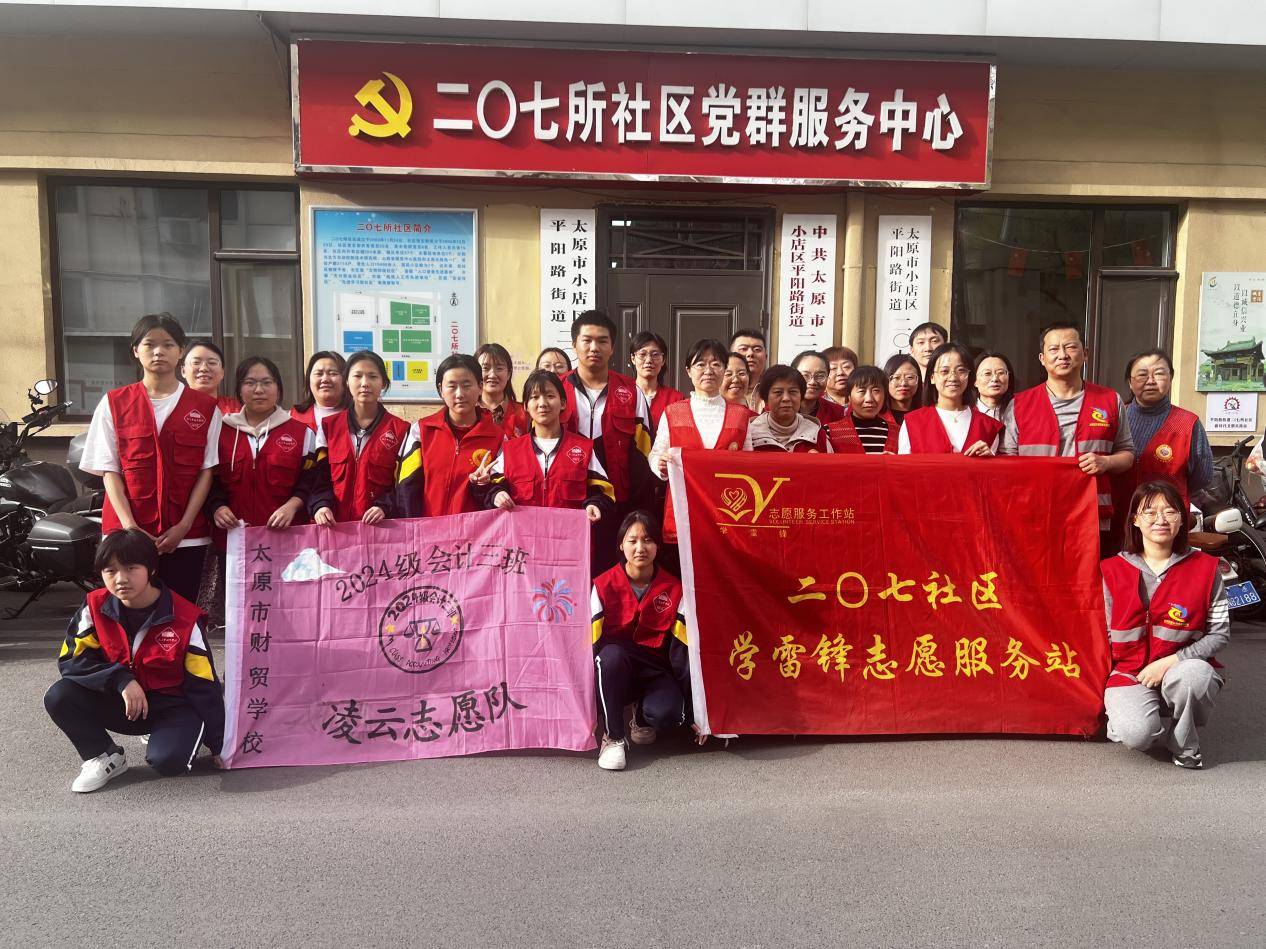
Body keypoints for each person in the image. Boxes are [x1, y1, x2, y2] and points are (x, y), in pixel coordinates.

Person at [43, 529, 224, 793]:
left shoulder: (185, 618)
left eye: (131, 568)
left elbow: (204, 684)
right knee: (60, 695)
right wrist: (121, 680)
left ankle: (171, 735)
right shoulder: (94, 606)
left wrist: (220, 744)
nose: (121, 579)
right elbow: (72, 660)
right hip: (125, 702)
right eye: (110, 570)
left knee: (170, 762)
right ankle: (105, 756)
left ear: (151, 569)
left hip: (173, 707)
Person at [80, 313, 222, 604]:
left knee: (180, 611)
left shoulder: (206, 408)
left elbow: (206, 472)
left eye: (168, 344)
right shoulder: (114, 403)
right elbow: (110, 471)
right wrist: (130, 527)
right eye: (149, 344)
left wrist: (183, 526)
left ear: (180, 351)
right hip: (125, 533)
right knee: (129, 613)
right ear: (136, 350)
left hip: (186, 536)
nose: (159, 352)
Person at [1101, 480, 1228, 770]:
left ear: (1182, 519)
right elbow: (1101, 634)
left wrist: (1171, 662)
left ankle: (1185, 744)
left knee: (1196, 676)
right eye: (1149, 512)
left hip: (1181, 667)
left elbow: (1220, 634)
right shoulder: (1111, 570)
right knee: (1136, 734)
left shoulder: (1206, 569)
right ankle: (1135, 717)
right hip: (1129, 672)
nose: (1160, 519)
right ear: (1135, 519)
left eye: (1170, 511)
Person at [999, 321, 1134, 538]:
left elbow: (1127, 454)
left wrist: (1105, 462)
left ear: (1085, 353)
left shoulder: (1109, 400)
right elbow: (1006, 459)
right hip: (1036, 513)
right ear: (1042, 358)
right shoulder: (1020, 404)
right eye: (1053, 349)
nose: (1062, 355)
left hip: (1092, 515)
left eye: (1070, 347)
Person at [590, 511, 701, 771]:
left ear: (657, 546)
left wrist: (698, 714)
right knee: (610, 657)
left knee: (670, 715)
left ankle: (641, 715)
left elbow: (682, 654)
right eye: (633, 540)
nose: (640, 548)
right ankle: (614, 737)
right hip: (616, 670)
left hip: (654, 669)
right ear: (621, 545)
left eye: (648, 540)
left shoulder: (674, 589)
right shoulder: (603, 585)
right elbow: (590, 646)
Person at [650, 339, 754, 542]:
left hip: (728, 510)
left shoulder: (740, 415)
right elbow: (655, 454)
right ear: (688, 371)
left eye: (716, 364)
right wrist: (659, 465)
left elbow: (749, 462)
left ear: (724, 370)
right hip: (684, 507)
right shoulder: (674, 412)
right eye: (700, 364)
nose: (709, 370)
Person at [481, 369, 614, 522]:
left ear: (563, 403)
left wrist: (594, 504)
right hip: (522, 535)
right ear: (526, 406)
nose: (542, 403)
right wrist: (497, 495)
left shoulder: (583, 449)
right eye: (535, 397)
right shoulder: (510, 451)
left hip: (569, 534)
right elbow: (491, 487)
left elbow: (604, 492)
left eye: (550, 396)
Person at [386, 353, 506, 520]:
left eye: (466, 385)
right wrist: (412, 528)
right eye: (452, 386)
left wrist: (485, 486)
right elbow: (406, 486)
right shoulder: (420, 431)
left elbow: (500, 492)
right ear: (441, 389)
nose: (460, 394)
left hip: (475, 533)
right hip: (427, 529)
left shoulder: (497, 438)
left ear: (480, 387)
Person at [208, 356, 313, 540]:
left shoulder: (302, 433)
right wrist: (217, 507)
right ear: (239, 390)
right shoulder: (221, 431)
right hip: (233, 539)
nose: (258, 390)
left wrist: (292, 506)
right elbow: (209, 481)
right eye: (250, 383)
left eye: (267, 382)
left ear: (278, 389)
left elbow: (310, 481)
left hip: (287, 538)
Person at [1111, 349, 1213, 537]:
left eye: (1159, 374)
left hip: (1165, 525)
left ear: (1170, 378)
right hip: (1118, 520)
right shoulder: (1113, 419)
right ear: (1130, 382)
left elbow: (1202, 476)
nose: (1150, 381)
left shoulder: (1187, 423)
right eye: (1142, 374)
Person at [560, 311, 653, 514]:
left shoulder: (631, 392)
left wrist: (638, 512)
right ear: (574, 345)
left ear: (612, 348)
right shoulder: (556, 390)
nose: (594, 348)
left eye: (602, 341)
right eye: (587, 340)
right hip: (566, 502)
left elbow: (644, 455)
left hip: (618, 504)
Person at [306, 351, 410, 525]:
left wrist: (384, 507)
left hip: (379, 529)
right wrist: (321, 506)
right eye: (357, 376)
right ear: (346, 381)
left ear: (383, 383)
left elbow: (402, 485)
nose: (365, 383)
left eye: (372, 376)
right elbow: (319, 478)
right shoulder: (329, 427)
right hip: (334, 527)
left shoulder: (401, 430)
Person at [899, 342, 1003, 456]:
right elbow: (903, 465)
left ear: (970, 376)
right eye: (944, 371)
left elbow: (996, 467)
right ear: (932, 377)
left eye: (961, 370)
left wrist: (990, 459)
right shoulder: (912, 422)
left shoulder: (989, 426)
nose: (953, 378)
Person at [748, 365, 831, 452]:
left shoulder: (817, 433)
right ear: (766, 397)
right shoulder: (750, 433)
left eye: (792, 392)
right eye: (778, 392)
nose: (786, 398)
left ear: (801, 396)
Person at [824, 365, 899, 454]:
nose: (869, 399)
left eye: (876, 391)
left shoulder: (898, 433)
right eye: (861, 391)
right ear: (849, 397)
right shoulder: (829, 432)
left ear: (885, 395)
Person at [629, 330, 685, 429]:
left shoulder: (676, 399)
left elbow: (680, 434)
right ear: (633, 359)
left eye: (655, 355)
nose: (649, 360)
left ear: (663, 360)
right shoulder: (622, 396)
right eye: (642, 354)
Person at [476, 342, 529, 438]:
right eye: (485, 368)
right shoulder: (467, 412)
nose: (492, 375)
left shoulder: (524, 414)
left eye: (499, 368)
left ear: (508, 374)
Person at [291, 351, 349, 433]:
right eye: (319, 374)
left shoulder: (357, 417)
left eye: (333, 373)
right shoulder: (294, 417)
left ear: (346, 380)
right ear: (308, 380)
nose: (325, 379)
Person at [181, 339, 240, 415]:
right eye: (196, 362)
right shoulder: (171, 407)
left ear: (222, 373)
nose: (204, 368)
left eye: (212, 363)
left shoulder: (238, 409)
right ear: (183, 371)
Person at [791, 350, 847, 424]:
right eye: (805, 376)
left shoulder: (838, 413)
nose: (812, 382)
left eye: (820, 376)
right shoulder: (777, 409)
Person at [729, 328, 769, 412]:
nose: (750, 354)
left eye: (757, 350)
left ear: (766, 357)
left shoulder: (773, 389)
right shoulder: (718, 390)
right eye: (743, 349)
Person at [973, 351, 1016, 421]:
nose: (995, 379)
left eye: (1001, 373)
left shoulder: (1019, 410)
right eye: (987, 373)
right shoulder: (965, 413)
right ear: (975, 381)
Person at [883, 353, 922, 426]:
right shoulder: (877, 416)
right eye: (896, 377)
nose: (903, 383)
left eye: (910, 377)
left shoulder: (926, 417)